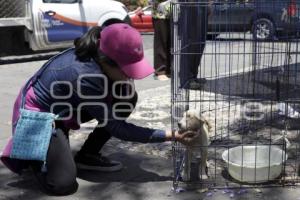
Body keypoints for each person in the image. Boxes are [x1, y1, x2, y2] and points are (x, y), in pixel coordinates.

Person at [0, 24, 199, 196]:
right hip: (41, 115)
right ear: (106, 61)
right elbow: (117, 128)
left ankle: (88, 155)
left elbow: (114, 103)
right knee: (62, 184)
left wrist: (121, 85)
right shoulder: (84, 76)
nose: (130, 76)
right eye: (127, 71)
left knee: (126, 97)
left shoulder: (99, 56)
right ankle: (36, 159)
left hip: (67, 105)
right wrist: (171, 135)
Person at [178, 0, 213, 89]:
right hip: (190, 4)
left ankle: (193, 76)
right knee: (191, 42)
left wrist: (208, 4)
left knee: (200, 42)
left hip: (201, 4)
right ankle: (187, 79)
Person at [152, 0, 171, 81]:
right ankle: (160, 71)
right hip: (161, 13)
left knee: (172, 43)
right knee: (161, 41)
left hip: (175, 12)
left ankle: (169, 69)